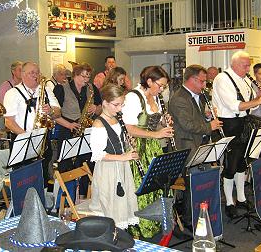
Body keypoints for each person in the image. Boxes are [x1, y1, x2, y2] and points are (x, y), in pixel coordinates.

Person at [212, 51, 261, 219]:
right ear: (235, 64)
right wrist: (257, 101)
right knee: (231, 164)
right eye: (245, 66)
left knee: (242, 162)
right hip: (229, 123)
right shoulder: (222, 79)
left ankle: (241, 197)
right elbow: (234, 105)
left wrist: (260, 97)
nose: (248, 69)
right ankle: (229, 203)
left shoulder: (245, 79)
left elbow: (250, 106)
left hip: (244, 122)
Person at [121, 65, 174, 238]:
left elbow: (154, 124)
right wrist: (156, 133)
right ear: (149, 81)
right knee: (142, 186)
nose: (162, 89)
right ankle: (141, 227)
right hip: (138, 148)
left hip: (153, 147)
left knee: (157, 184)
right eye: (160, 85)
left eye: (164, 86)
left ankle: (156, 223)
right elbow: (129, 128)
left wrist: (164, 123)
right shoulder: (133, 97)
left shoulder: (155, 97)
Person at [168, 64, 223, 228]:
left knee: (203, 181)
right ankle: (190, 219)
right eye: (202, 81)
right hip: (186, 146)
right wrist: (209, 126)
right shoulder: (179, 98)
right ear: (191, 80)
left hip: (199, 143)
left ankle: (202, 214)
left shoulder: (198, 95)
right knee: (195, 183)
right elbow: (186, 125)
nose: (204, 85)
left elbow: (196, 120)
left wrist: (206, 117)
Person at [88, 84, 139, 230]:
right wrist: (123, 157)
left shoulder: (117, 119)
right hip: (108, 170)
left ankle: (122, 235)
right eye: (116, 105)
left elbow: (119, 143)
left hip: (121, 166)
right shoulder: (99, 124)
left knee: (123, 204)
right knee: (111, 207)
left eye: (121, 105)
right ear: (104, 103)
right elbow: (98, 154)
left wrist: (128, 145)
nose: (119, 109)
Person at [3, 62, 61, 182]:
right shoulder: (12, 93)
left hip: (43, 139)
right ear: (23, 75)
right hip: (22, 140)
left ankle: (41, 199)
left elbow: (58, 112)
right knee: (24, 178)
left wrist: (50, 111)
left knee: (43, 174)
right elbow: (8, 122)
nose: (36, 75)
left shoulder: (46, 90)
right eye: (32, 73)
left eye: (37, 72)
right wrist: (27, 137)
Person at [53, 62, 102, 198]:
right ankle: (64, 200)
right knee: (66, 166)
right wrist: (68, 125)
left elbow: (101, 107)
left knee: (87, 164)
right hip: (67, 130)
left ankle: (82, 197)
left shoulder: (91, 89)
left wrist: (96, 108)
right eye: (83, 77)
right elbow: (54, 114)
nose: (86, 80)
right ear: (75, 75)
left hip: (86, 131)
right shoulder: (61, 89)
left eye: (88, 77)